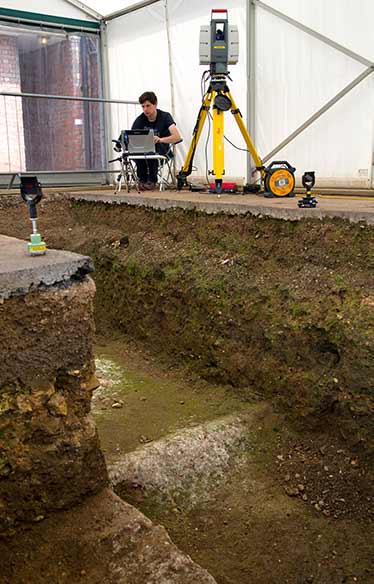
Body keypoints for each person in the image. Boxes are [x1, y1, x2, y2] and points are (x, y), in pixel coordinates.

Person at [131, 91, 181, 190]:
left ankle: (151, 181)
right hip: (144, 150)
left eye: (148, 106)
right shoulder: (140, 119)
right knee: (139, 151)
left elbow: (177, 137)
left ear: (155, 104)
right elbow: (132, 137)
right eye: (143, 106)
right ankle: (142, 180)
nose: (145, 109)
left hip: (162, 149)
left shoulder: (165, 117)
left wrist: (160, 139)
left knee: (151, 150)